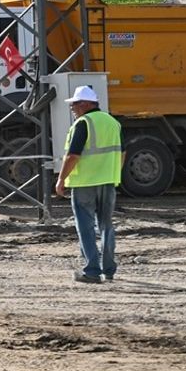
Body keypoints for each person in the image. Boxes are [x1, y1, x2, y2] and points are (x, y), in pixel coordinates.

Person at [56, 85, 124, 284]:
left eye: (75, 104)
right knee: (106, 226)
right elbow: (123, 152)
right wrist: (113, 173)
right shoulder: (113, 122)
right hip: (108, 182)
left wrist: (61, 179)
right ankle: (109, 269)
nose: (72, 108)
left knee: (85, 227)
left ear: (86, 104)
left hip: (85, 183)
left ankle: (92, 271)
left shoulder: (83, 123)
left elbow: (73, 155)